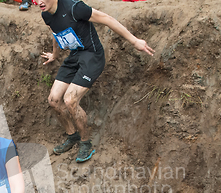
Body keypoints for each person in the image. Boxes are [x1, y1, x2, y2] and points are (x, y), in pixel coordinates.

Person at [38, 0, 155, 162]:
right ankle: (73, 136)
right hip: (74, 56)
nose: (38, 2)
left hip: (92, 55)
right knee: (53, 100)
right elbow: (56, 33)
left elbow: (106, 18)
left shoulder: (75, 8)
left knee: (70, 99)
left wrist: (135, 41)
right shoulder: (46, 14)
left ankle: (86, 142)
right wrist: (55, 55)